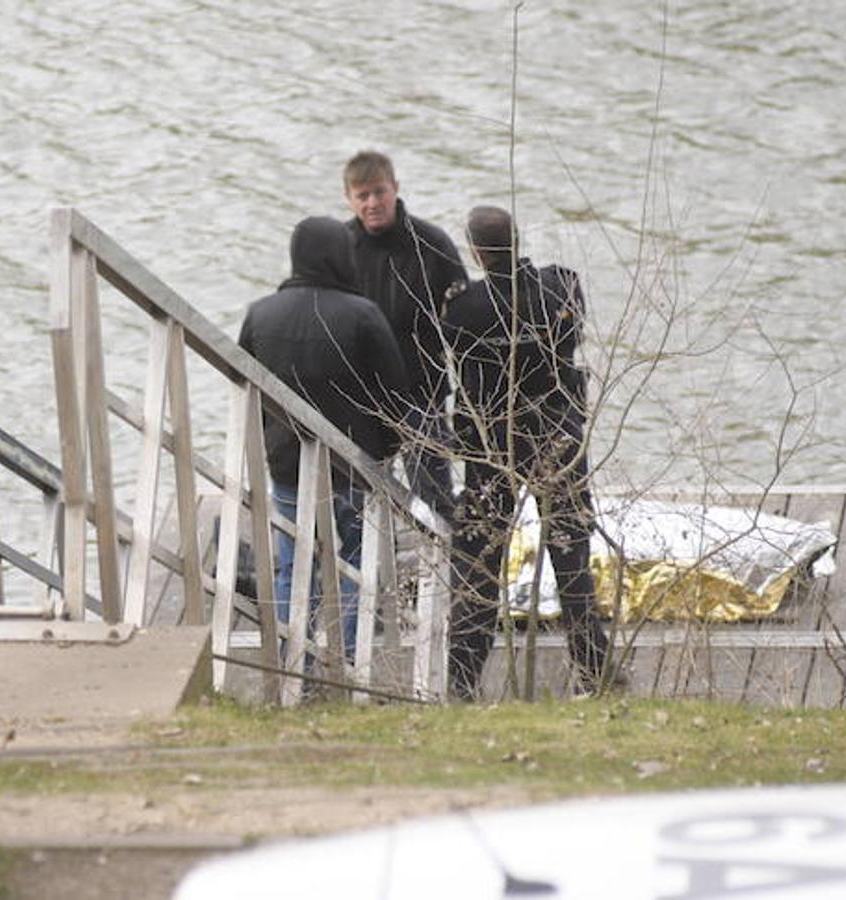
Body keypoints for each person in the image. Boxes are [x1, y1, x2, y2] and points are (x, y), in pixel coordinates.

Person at [441, 205, 611, 701]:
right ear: (517, 238)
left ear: (475, 251)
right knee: (571, 552)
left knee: (480, 561)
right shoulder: (562, 287)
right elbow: (572, 334)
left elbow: (454, 355)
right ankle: (593, 671)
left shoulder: (464, 306)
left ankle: (462, 682)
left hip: (493, 443)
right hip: (556, 434)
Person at [237, 216, 409, 667]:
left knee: (295, 563)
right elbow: (395, 397)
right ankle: (350, 661)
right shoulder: (363, 316)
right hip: (352, 465)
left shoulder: (260, 314)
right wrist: (385, 453)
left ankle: (291, 661)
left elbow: (247, 394)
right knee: (354, 560)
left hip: (287, 465)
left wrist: (268, 446)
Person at [342, 151, 468, 524]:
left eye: (379, 192)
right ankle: (373, 575)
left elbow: (465, 317)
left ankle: (444, 569)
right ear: (349, 198)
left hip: (421, 392)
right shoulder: (341, 246)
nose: (372, 203)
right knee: (359, 499)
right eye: (362, 196)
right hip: (363, 395)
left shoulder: (431, 244)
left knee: (434, 501)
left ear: (395, 188)